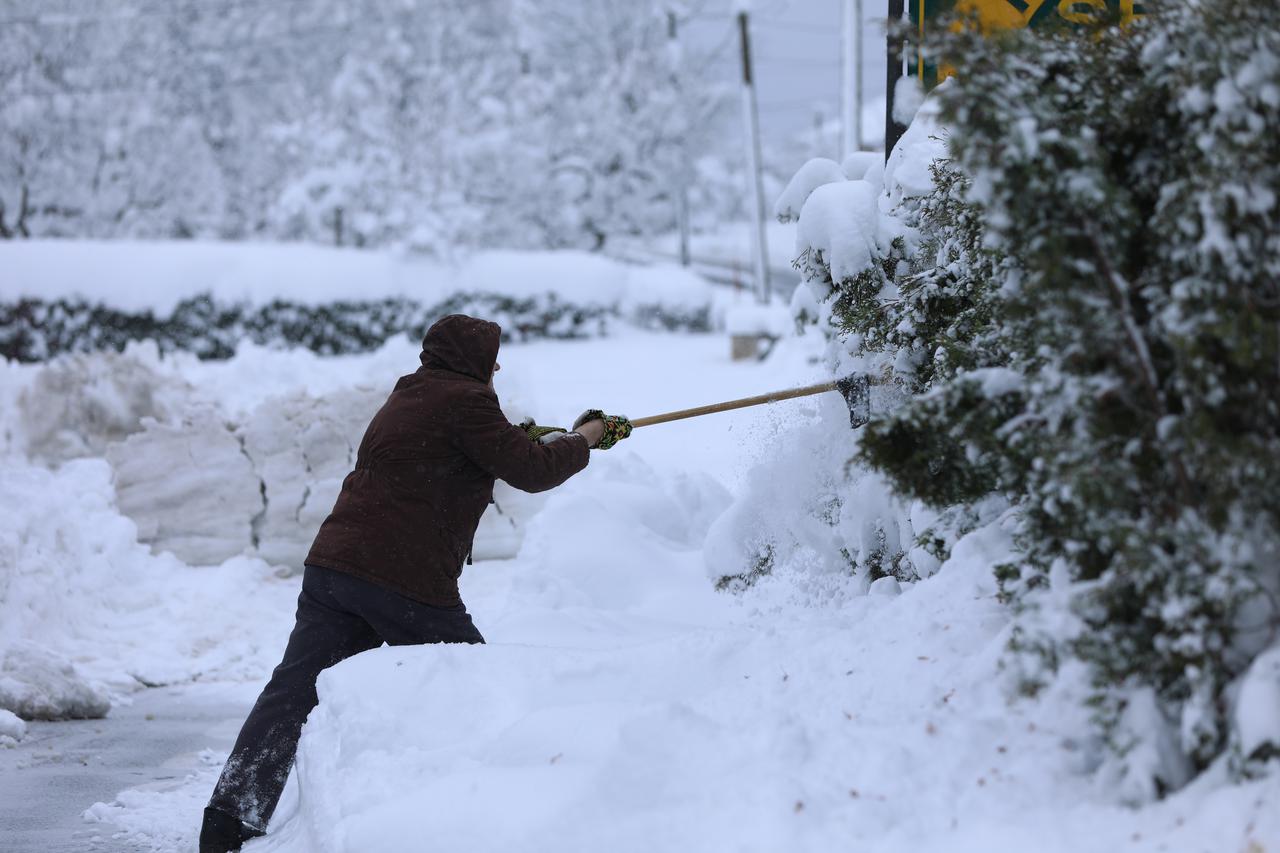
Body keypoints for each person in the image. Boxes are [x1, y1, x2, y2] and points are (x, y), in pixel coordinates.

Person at [199, 314, 632, 852]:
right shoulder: (467, 402)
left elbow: (454, 450)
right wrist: (587, 435)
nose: (496, 366)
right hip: (401, 578)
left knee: (290, 694)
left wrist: (521, 438)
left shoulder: (409, 396)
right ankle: (479, 814)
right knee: (474, 683)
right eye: (490, 356)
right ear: (471, 361)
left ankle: (226, 822)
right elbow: (533, 471)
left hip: (335, 569)